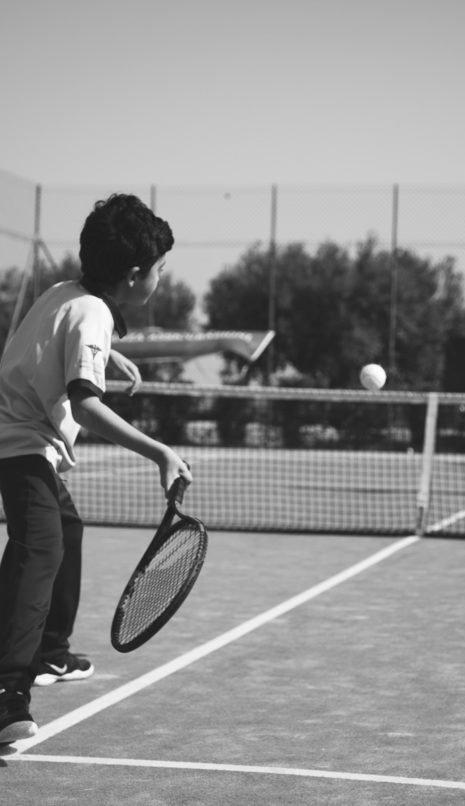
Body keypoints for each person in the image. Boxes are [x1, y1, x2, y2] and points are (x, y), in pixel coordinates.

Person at [0, 194, 192, 745]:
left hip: (20, 438)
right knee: (40, 551)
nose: (159, 278)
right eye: (159, 270)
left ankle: (50, 653)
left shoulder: (67, 292)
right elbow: (85, 403)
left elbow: (64, 338)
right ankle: (7, 689)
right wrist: (160, 451)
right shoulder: (95, 313)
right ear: (134, 276)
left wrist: (111, 354)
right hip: (22, 444)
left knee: (64, 530)